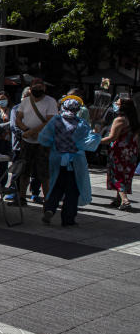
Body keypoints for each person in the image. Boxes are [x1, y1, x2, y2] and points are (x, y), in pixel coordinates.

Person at [39, 95, 101, 226]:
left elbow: (43, 138)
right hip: (75, 162)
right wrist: (96, 133)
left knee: (56, 187)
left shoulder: (55, 121)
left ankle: (49, 209)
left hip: (57, 160)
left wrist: (56, 145)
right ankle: (68, 219)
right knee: (72, 191)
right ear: (78, 109)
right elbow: (89, 144)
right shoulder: (81, 124)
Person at [15, 77, 56, 204]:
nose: (38, 90)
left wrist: (32, 132)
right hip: (27, 141)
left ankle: (47, 199)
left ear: (44, 88)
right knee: (24, 171)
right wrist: (27, 130)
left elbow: (50, 120)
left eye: (40, 87)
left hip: (42, 142)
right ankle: (22, 197)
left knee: (44, 173)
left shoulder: (51, 102)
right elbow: (18, 119)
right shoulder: (26, 101)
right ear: (31, 89)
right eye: (35, 88)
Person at [101, 95, 139, 210]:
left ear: (123, 107)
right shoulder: (134, 120)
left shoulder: (120, 120)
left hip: (120, 151)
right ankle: (118, 199)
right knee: (125, 175)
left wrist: (96, 141)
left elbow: (112, 137)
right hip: (132, 151)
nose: (115, 106)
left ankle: (125, 200)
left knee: (117, 175)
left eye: (117, 104)